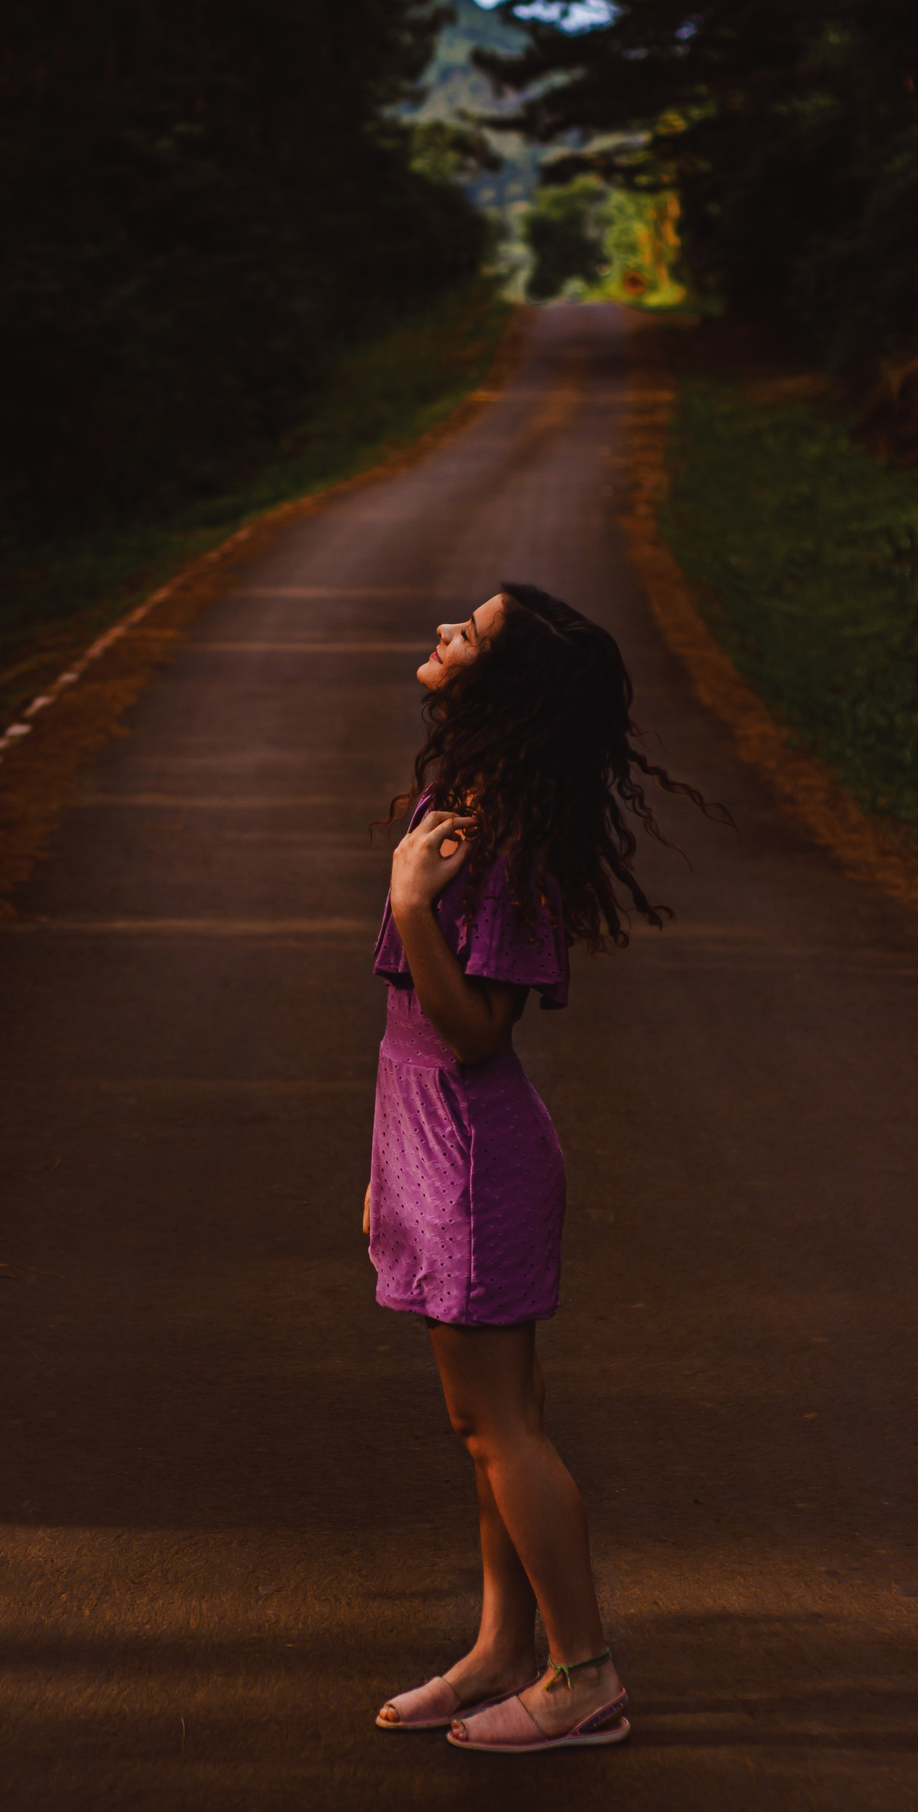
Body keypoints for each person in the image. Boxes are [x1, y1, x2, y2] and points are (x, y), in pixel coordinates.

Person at [366, 583, 724, 1755]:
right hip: (431, 1152)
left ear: (503, 687)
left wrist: (410, 904)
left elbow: (476, 1030)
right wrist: (385, 1172)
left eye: (465, 634)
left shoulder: (500, 846)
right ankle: (499, 1650)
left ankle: (585, 1674)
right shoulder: (462, 801)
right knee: (481, 1426)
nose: (441, 636)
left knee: (503, 1427)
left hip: (474, 1157)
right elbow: (409, 1041)